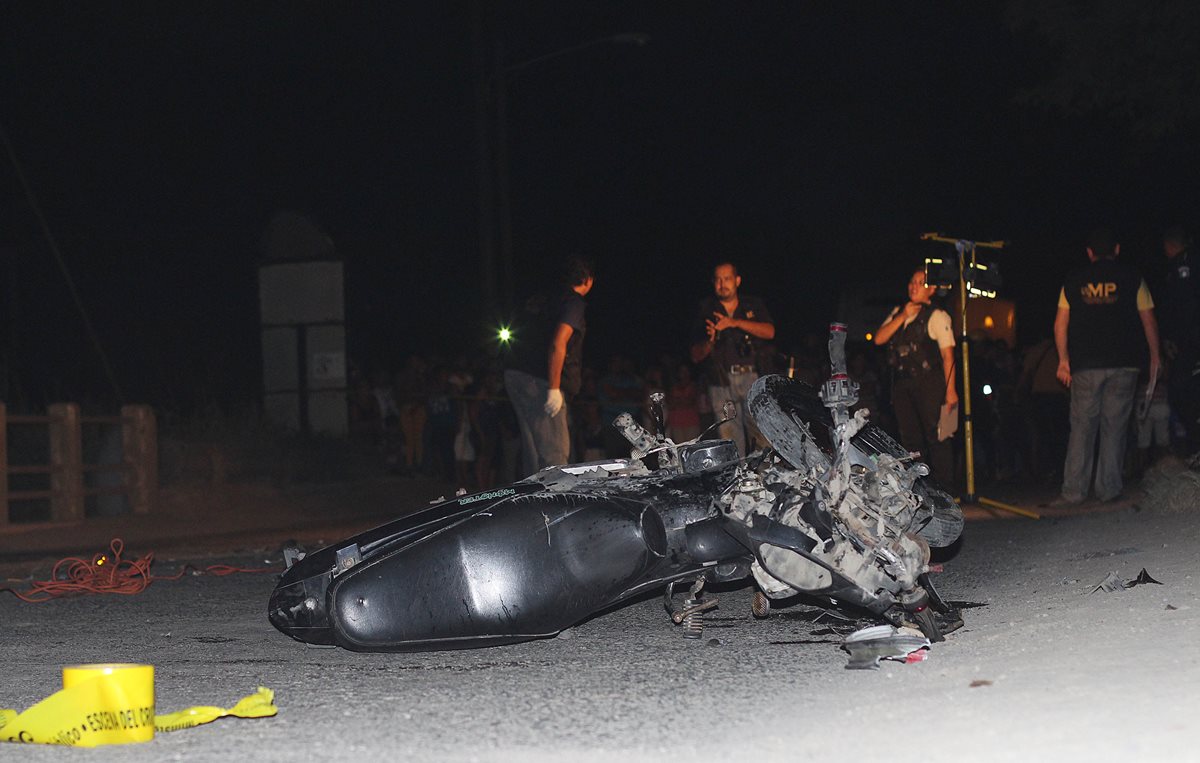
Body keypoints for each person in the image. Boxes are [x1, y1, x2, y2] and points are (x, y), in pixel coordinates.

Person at [1053, 228, 1160, 504]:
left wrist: (1063, 359)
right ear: (1117, 250)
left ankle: (1074, 492)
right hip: (1124, 364)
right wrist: (1155, 356)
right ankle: (1108, 489)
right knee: (1114, 427)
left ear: (1089, 253)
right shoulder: (1133, 277)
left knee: (1082, 428)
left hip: (1085, 364)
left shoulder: (1074, 279)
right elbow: (1148, 319)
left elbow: (1061, 322)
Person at [504, 256, 594, 475]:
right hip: (541, 380)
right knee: (555, 451)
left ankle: (531, 504)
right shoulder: (573, 302)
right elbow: (558, 342)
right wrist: (553, 388)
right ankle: (555, 505)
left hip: (516, 373)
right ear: (587, 280)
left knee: (533, 450)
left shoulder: (542, 299)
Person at [873, 267, 958, 485]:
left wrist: (951, 392)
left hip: (931, 383)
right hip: (902, 384)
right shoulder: (899, 311)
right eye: (912, 281)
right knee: (909, 439)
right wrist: (903, 315)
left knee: (941, 436)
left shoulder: (938, 315)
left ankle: (945, 491)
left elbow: (948, 356)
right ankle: (917, 488)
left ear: (932, 289)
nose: (914, 286)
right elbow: (879, 339)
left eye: (920, 283)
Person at [689, 262, 775, 456]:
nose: (722, 284)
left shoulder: (752, 305)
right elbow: (695, 355)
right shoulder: (705, 310)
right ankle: (738, 481)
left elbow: (770, 332)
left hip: (753, 378)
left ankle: (763, 480)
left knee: (761, 435)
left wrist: (733, 323)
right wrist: (710, 340)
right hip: (721, 384)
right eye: (718, 279)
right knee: (730, 440)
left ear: (737, 281)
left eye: (727, 279)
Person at [1160, 226, 1200, 453]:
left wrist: (1176, 338)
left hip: (1190, 344)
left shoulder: (1183, 265)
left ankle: (1194, 447)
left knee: (1182, 394)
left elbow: (1184, 306)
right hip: (1189, 342)